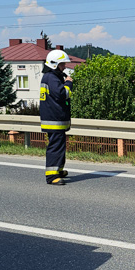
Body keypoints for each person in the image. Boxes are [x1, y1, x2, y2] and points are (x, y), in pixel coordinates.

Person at [39, 49, 73, 185]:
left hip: (55, 119)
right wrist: (69, 83)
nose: (64, 67)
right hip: (54, 120)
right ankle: (52, 176)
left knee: (59, 146)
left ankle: (58, 170)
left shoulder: (51, 77)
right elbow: (61, 94)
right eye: (62, 64)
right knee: (55, 147)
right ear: (54, 64)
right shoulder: (51, 77)